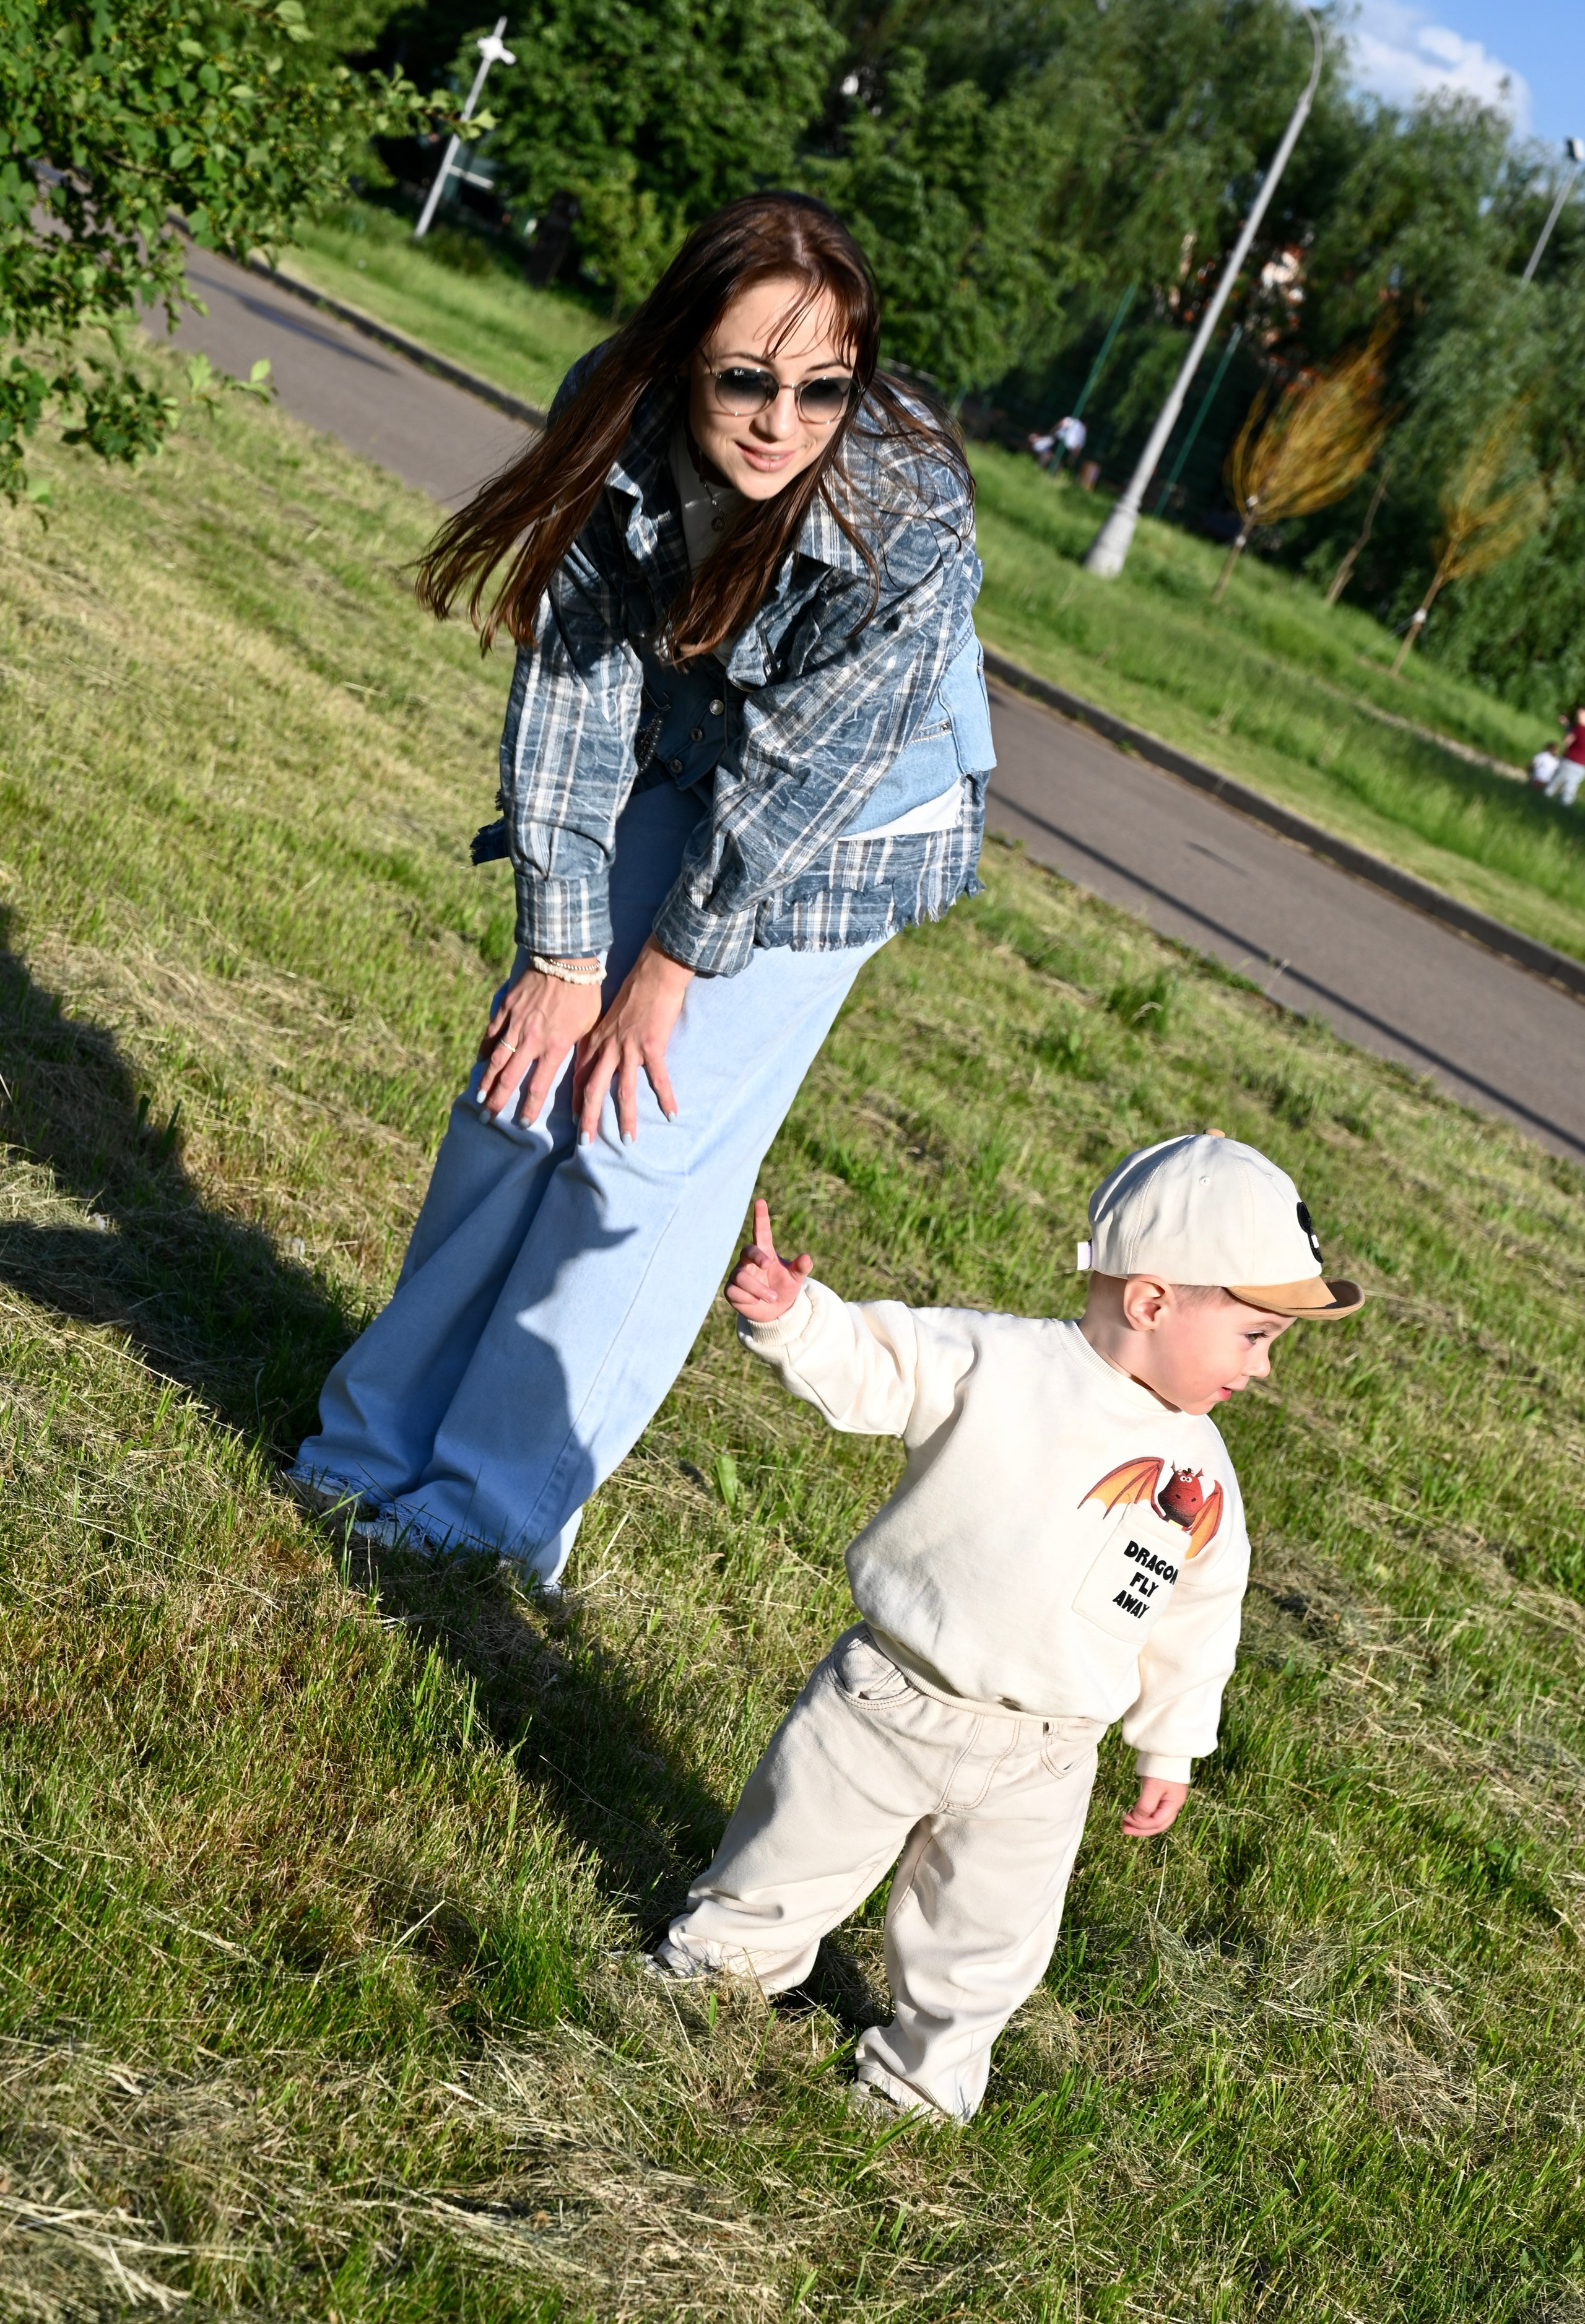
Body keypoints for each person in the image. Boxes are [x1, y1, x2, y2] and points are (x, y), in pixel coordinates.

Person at [288, 193, 994, 1587]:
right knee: (521, 1085)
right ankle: (370, 1446)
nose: (779, 420)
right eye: (743, 377)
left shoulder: (906, 505)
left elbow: (796, 786)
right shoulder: (611, 411)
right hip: (683, 739)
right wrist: (562, 954)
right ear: (680, 352)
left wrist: (658, 975)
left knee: (631, 1139)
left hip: (840, 823)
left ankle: (489, 1513)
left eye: (821, 388)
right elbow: (574, 686)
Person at [651, 1133, 1365, 2124]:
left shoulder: (1202, 1474)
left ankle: (923, 2080)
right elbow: (882, 1361)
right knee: (792, 1848)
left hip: (1047, 1757)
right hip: (892, 1701)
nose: (1267, 1368)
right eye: (1254, 1337)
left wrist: (1171, 1745)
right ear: (1153, 1302)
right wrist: (796, 1318)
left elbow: (1198, 1613)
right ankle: (720, 1969)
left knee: (985, 1942)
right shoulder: (1001, 1364)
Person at [1548, 706, 1585, 806]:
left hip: (1570, 761)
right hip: (1581, 767)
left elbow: (1567, 741)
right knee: (1570, 789)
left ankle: (1544, 799)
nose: (1578, 717)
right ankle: (1564, 808)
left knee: (1554, 783)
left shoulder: (1579, 728)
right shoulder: (1578, 729)